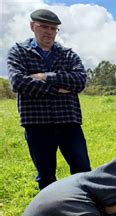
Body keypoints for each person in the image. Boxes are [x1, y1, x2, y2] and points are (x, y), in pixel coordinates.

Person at [7, 9, 91, 190]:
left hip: (69, 122)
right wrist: (59, 89)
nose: (49, 32)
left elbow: (80, 81)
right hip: (37, 123)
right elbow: (19, 83)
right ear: (32, 26)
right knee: (45, 175)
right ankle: (50, 215)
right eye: (43, 27)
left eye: (53, 29)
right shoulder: (19, 52)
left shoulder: (68, 54)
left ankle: (86, 211)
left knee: (82, 170)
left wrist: (45, 76)